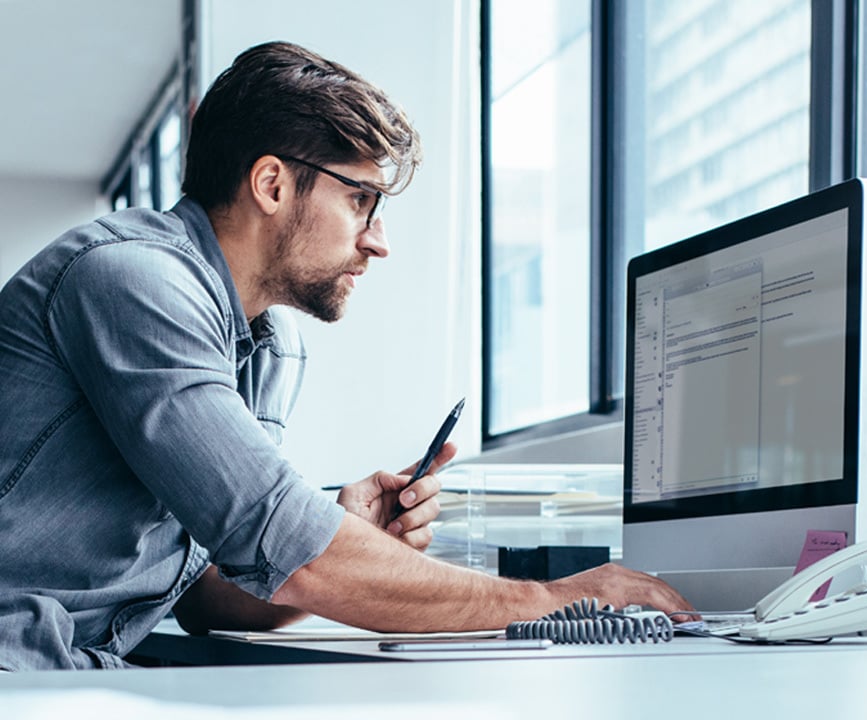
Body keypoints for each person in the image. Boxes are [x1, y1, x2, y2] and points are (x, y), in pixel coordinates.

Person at [0, 41, 693, 671]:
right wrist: (552, 599)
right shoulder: (132, 282)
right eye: (360, 199)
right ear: (271, 184)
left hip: (74, 670)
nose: (378, 240)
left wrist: (345, 530)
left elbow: (206, 597)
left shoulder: (270, 345)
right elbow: (286, 546)